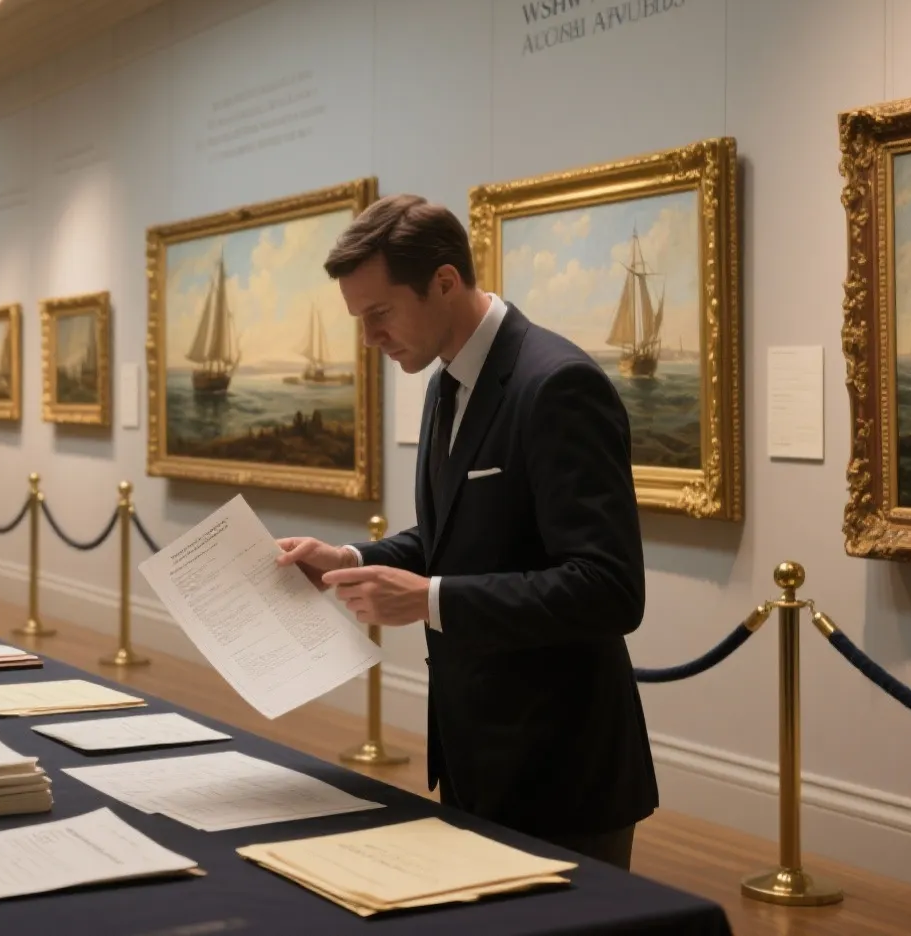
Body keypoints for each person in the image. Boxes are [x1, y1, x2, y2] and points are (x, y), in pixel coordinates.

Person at [275, 194, 657, 869]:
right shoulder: (445, 382)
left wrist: (427, 601)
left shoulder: (558, 384)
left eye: (379, 314)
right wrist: (347, 558)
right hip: (476, 754)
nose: (368, 340)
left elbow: (609, 588)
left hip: (561, 770)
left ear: (445, 282)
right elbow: (453, 537)